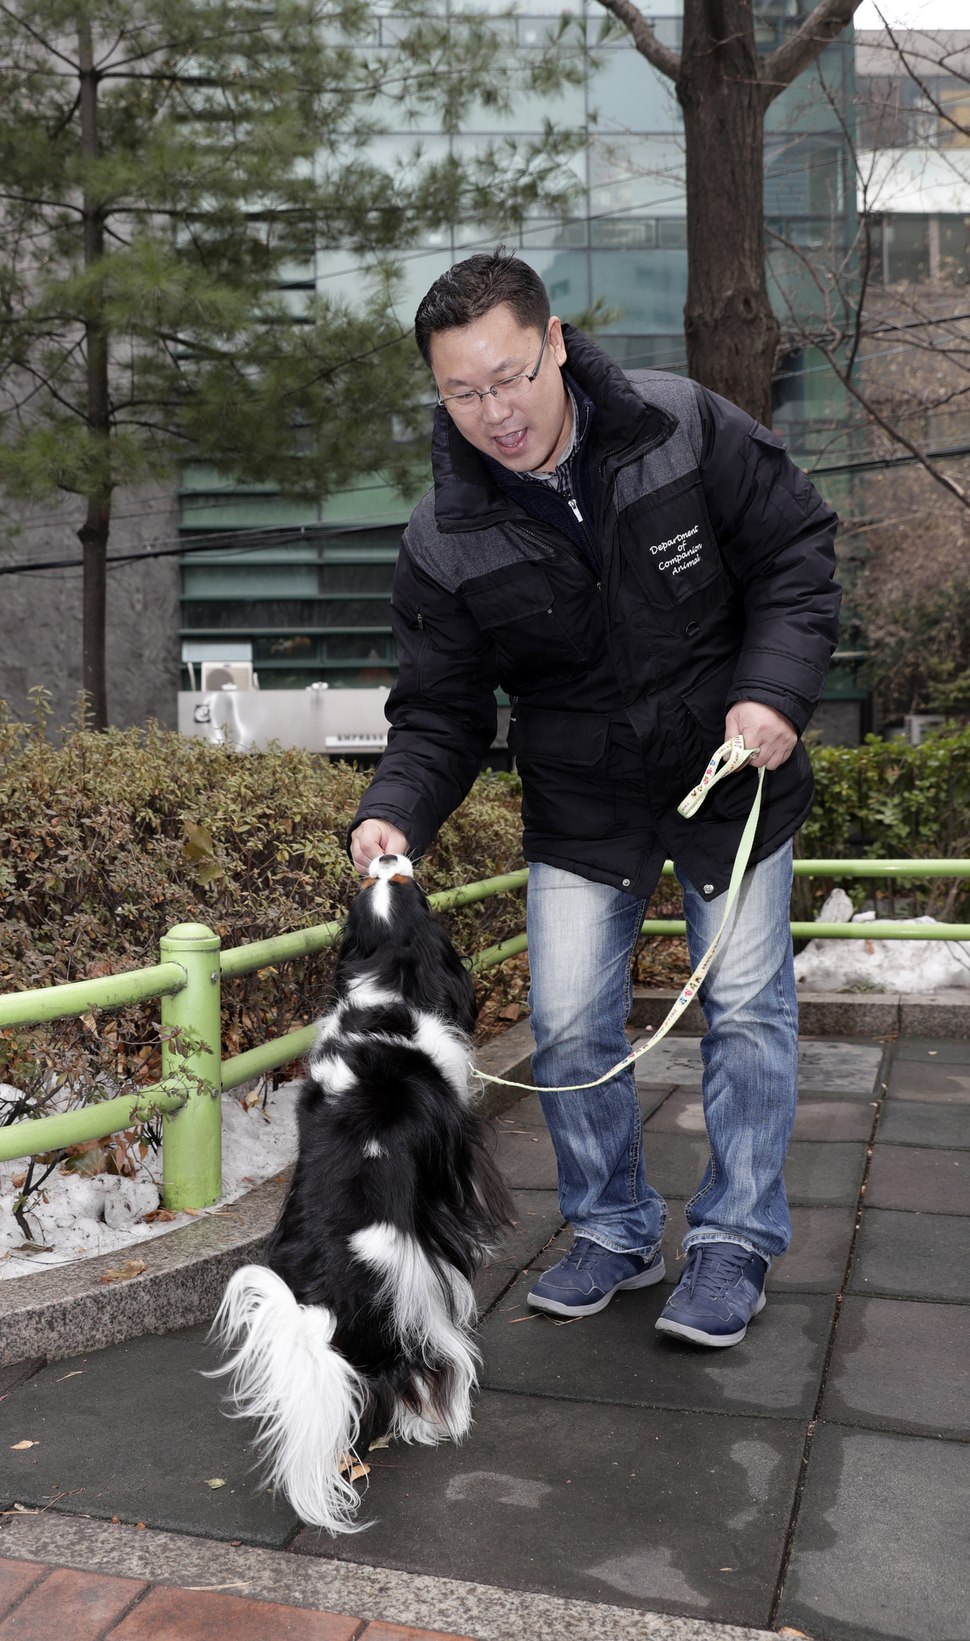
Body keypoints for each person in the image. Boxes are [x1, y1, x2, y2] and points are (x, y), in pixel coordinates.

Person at [348, 248, 841, 1349]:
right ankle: (613, 1228)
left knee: (749, 1016)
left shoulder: (683, 426)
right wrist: (392, 810)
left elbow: (796, 557)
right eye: (463, 392)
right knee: (569, 1026)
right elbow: (439, 712)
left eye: (511, 375)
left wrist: (771, 695)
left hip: (733, 772)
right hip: (581, 796)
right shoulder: (442, 538)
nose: (496, 412)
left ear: (555, 342)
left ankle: (734, 1241)